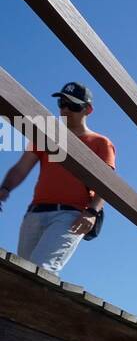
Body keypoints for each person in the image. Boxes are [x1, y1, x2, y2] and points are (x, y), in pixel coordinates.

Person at [0, 81, 115, 274]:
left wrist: (92, 211)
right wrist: (4, 189)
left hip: (70, 215)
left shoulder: (101, 143)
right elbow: (21, 168)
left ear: (88, 110)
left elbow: (108, 183)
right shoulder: (48, 137)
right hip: (34, 214)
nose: (65, 110)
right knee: (18, 273)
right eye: (62, 103)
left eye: (73, 105)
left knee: (41, 270)